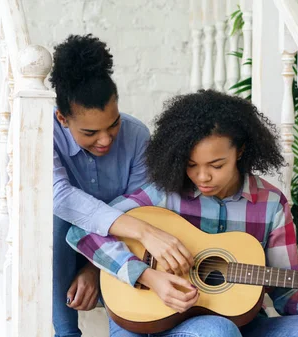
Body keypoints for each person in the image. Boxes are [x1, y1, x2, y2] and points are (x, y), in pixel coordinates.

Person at [66, 90, 298, 337]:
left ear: (240, 151)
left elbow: (286, 294)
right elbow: (83, 230)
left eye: (216, 166)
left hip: (246, 325)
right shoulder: (164, 194)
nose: (202, 177)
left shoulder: (271, 203)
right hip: (170, 324)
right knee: (217, 330)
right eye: (191, 165)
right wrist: (144, 274)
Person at [50, 34, 193, 337]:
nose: (105, 139)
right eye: (90, 132)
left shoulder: (137, 135)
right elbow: (60, 198)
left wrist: (93, 267)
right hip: (58, 249)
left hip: (119, 251)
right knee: (56, 218)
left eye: (113, 124)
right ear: (62, 118)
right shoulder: (41, 134)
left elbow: (143, 208)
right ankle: (65, 333)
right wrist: (145, 231)